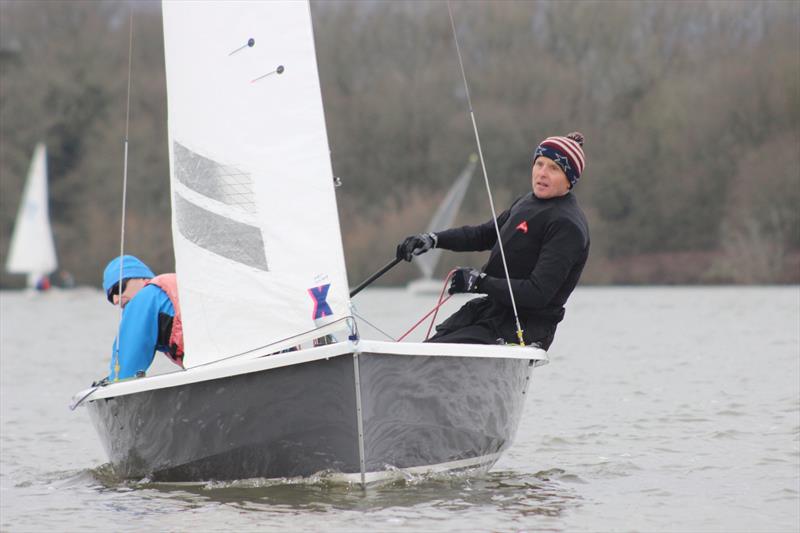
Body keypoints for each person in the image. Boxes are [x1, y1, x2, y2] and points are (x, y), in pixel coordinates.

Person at [396, 132, 590, 350]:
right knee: (431, 345)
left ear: (569, 179)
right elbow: (483, 235)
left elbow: (538, 293)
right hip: (492, 312)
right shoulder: (527, 202)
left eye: (553, 168)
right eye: (539, 164)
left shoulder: (567, 225)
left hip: (525, 326)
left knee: (444, 348)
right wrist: (432, 239)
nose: (542, 173)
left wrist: (478, 282)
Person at [101, 255, 184, 381]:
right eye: (111, 297)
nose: (116, 299)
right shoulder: (175, 286)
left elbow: (126, 370)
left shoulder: (148, 296)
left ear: (142, 278)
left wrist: (114, 382)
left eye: (118, 288)